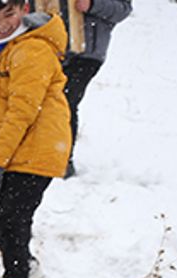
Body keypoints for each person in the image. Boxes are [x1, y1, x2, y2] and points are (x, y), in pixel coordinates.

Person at [0, 0, 71, 278]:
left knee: (13, 218)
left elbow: (22, 112)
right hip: (24, 148)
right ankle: (26, 268)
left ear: (24, 9)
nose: (2, 24)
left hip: (39, 148)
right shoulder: (15, 48)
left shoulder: (31, 49)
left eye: (9, 14)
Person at [55, 0, 132, 176]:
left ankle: (62, 161)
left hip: (87, 52)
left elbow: (123, 9)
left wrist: (92, 4)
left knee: (64, 101)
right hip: (50, 45)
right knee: (39, 100)